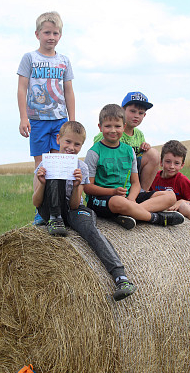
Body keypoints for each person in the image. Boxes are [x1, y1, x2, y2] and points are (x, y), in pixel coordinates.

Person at [33, 121, 137, 302]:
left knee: (92, 231)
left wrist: (76, 185)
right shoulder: (45, 164)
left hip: (73, 210)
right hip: (49, 210)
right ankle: (55, 219)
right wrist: (42, 183)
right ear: (58, 139)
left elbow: (74, 205)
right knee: (55, 171)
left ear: (82, 146)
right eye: (68, 142)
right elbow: (36, 201)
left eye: (77, 144)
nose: (71, 148)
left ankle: (121, 278)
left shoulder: (81, 168)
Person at [84, 104, 184, 229]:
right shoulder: (94, 152)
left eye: (117, 126)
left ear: (124, 126)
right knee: (118, 201)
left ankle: (130, 213)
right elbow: (88, 187)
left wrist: (131, 199)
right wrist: (113, 192)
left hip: (127, 197)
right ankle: (156, 218)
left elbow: (135, 183)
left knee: (170, 196)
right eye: (108, 126)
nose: (113, 130)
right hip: (101, 200)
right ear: (100, 127)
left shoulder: (129, 151)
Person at [17, 11, 75, 225]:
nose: (51, 37)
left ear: (60, 35)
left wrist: (72, 121)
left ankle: (57, 210)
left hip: (60, 120)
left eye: (56, 33)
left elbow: (69, 91)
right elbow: (22, 88)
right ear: (37, 34)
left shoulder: (64, 61)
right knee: (41, 166)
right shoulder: (30, 58)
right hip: (38, 120)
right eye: (47, 32)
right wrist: (24, 118)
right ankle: (40, 211)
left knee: (58, 165)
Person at [93, 91, 160, 191]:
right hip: (110, 175)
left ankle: (141, 192)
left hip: (131, 172)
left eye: (141, 113)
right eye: (132, 111)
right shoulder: (108, 134)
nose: (137, 115)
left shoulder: (139, 134)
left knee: (153, 154)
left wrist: (145, 147)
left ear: (144, 115)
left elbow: (140, 157)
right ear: (122, 110)